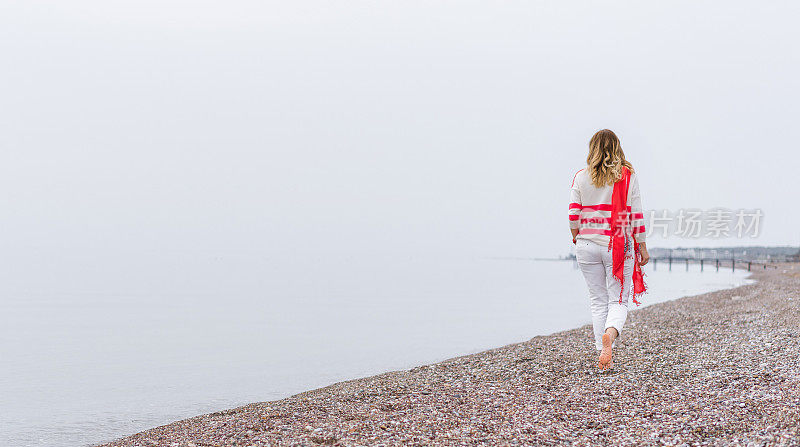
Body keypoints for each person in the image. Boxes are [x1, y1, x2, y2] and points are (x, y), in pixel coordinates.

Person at [569, 129, 649, 370]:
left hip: (586, 245)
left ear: (592, 149)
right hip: (617, 245)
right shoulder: (627, 176)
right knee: (618, 300)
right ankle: (609, 338)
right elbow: (636, 216)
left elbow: (573, 214)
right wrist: (642, 246)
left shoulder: (581, 177)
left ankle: (601, 353)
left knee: (597, 301)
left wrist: (577, 236)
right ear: (617, 148)